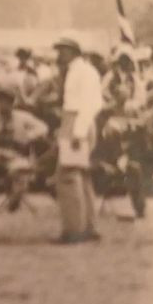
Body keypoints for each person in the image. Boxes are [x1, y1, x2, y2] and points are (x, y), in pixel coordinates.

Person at [53, 32, 103, 244]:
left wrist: (78, 132)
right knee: (80, 177)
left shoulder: (84, 71)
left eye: (62, 50)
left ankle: (74, 230)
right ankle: (88, 227)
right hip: (73, 121)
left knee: (68, 177)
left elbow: (91, 104)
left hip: (78, 122)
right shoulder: (75, 71)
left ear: (73, 52)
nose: (59, 54)